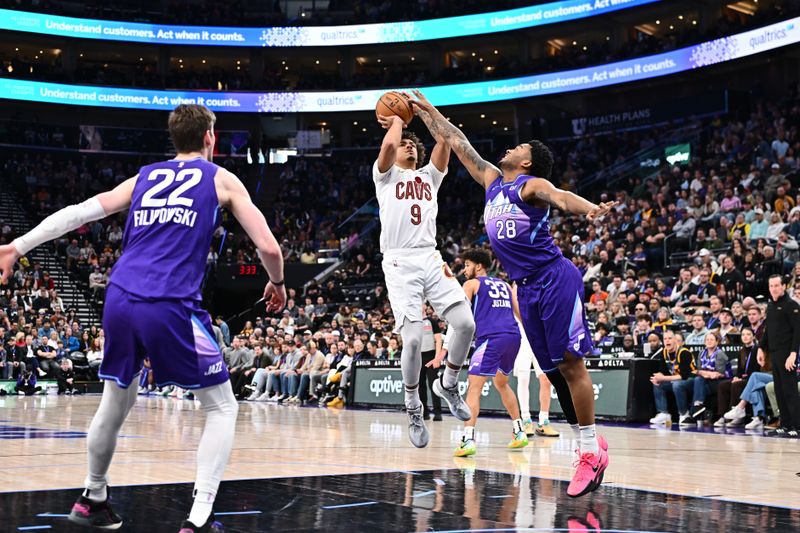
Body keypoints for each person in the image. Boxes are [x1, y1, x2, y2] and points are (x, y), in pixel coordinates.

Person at [0, 104, 286, 531]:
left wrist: (17, 245)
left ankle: (93, 496)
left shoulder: (145, 176)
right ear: (211, 137)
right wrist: (277, 283)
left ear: (175, 138)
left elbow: (80, 212)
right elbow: (268, 247)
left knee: (116, 401)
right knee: (222, 407)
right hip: (168, 301)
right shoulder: (222, 179)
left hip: (119, 297)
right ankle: (200, 517)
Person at [408, 90, 610, 497]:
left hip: (554, 277)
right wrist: (427, 112)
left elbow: (560, 196)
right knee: (552, 371)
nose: (509, 147)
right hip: (526, 288)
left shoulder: (529, 185)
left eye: (517, 146)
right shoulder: (492, 182)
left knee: (570, 366)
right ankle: (592, 444)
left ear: (527, 161)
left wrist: (586, 208)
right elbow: (456, 140)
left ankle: (589, 452)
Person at [373, 104, 474, 448]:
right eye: (406, 143)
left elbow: (445, 140)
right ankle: (413, 406)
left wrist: (427, 111)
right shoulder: (385, 176)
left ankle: (447, 383)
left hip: (430, 257)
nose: (410, 146)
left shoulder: (430, 176)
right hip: (400, 262)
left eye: (414, 144)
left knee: (466, 324)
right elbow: (387, 148)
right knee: (413, 341)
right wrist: (398, 122)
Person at [436, 249, 528, 457]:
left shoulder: (471, 284)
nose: (465, 269)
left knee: (473, 388)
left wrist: (445, 347)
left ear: (479, 266)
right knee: (502, 384)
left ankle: (468, 439)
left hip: (491, 339)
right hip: (513, 338)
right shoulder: (504, 285)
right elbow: (520, 314)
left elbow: (459, 318)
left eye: (467, 264)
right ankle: (519, 431)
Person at [759, 274, 800, 437]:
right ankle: (785, 424)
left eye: (777, 285)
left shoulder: (791, 306)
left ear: (784, 287)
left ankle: (797, 426)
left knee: (790, 391)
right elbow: (768, 330)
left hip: (787, 354)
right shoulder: (770, 306)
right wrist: (761, 348)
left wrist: (793, 354)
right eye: (771, 286)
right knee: (779, 390)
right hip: (774, 354)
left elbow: (798, 332)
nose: (774, 289)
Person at [513, 307, 560, 438]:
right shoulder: (518, 287)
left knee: (546, 379)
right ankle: (526, 420)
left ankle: (544, 422)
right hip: (522, 338)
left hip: (540, 338)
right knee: (523, 378)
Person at [649, 331, 696, 425]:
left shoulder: (684, 352)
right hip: (676, 380)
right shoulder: (663, 352)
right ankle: (663, 413)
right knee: (658, 383)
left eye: (670, 338)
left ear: (675, 340)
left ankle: (684, 414)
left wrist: (663, 378)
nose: (667, 341)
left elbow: (683, 376)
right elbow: (662, 371)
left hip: (691, 380)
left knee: (677, 384)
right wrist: (657, 377)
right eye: (665, 339)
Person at [418, 306, 443, 421]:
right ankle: (424, 412)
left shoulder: (431, 321)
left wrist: (437, 358)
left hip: (431, 356)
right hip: (418, 357)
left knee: (433, 385)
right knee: (420, 386)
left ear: (425, 307)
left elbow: (438, 340)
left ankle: (438, 412)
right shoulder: (413, 322)